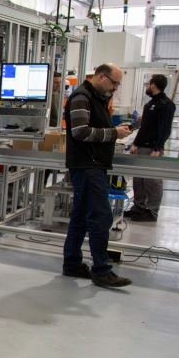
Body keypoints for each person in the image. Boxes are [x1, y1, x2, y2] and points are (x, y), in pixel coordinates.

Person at [62, 63, 133, 287]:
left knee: (82, 217)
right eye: (114, 83)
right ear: (101, 76)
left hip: (92, 164)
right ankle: (102, 270)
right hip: (87, 166)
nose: (115, 88)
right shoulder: (81, 97)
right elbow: (80, 131)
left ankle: (72, 264)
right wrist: (114, 133)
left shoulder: (96, 97)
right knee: (101, 217)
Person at [125, 74, 176, 222]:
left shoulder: (165, 104)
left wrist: (158, 148)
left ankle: (152, 211)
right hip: (141, 146)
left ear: (153, 85)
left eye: (148, 84)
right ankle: (139, 207)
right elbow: (144, 127)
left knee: (152, 181)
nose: (147, 86)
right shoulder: (149, 105)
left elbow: (165, 129)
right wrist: (135, 143)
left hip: (152, 148)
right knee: (139, 180)